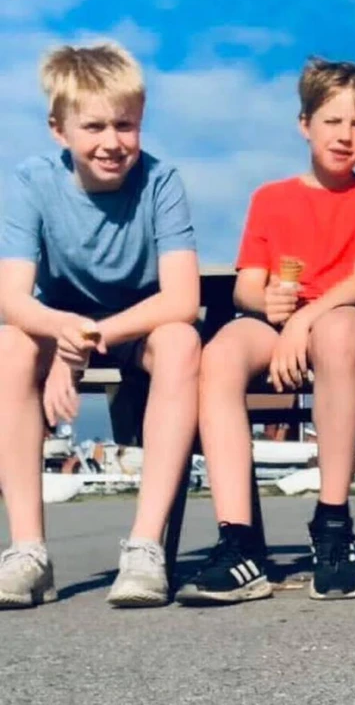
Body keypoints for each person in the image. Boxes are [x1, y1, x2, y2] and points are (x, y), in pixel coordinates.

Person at [176, 59, 355, 605]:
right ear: (305, 125)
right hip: (279, 324)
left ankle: (333, 524)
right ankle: (239, 541)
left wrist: (304, 321)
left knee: (337, 334)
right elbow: (248, 286)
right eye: (332, 121)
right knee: (221, 353)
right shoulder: (271, 198)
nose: (344, 135)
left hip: (340, 315)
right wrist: (267, 301)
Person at [0, 44, 201, 609]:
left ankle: (145, 547)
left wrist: (86, 344)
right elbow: (12, 298)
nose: (111, 142)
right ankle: (27, 552)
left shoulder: (161, 182)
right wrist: (64, 336)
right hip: (58, 320)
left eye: (125, 125)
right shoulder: (32, 181)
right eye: (93, 127)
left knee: (183, 341)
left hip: (137, 323)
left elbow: (182, 299)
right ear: (59, 130)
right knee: (10, 347)